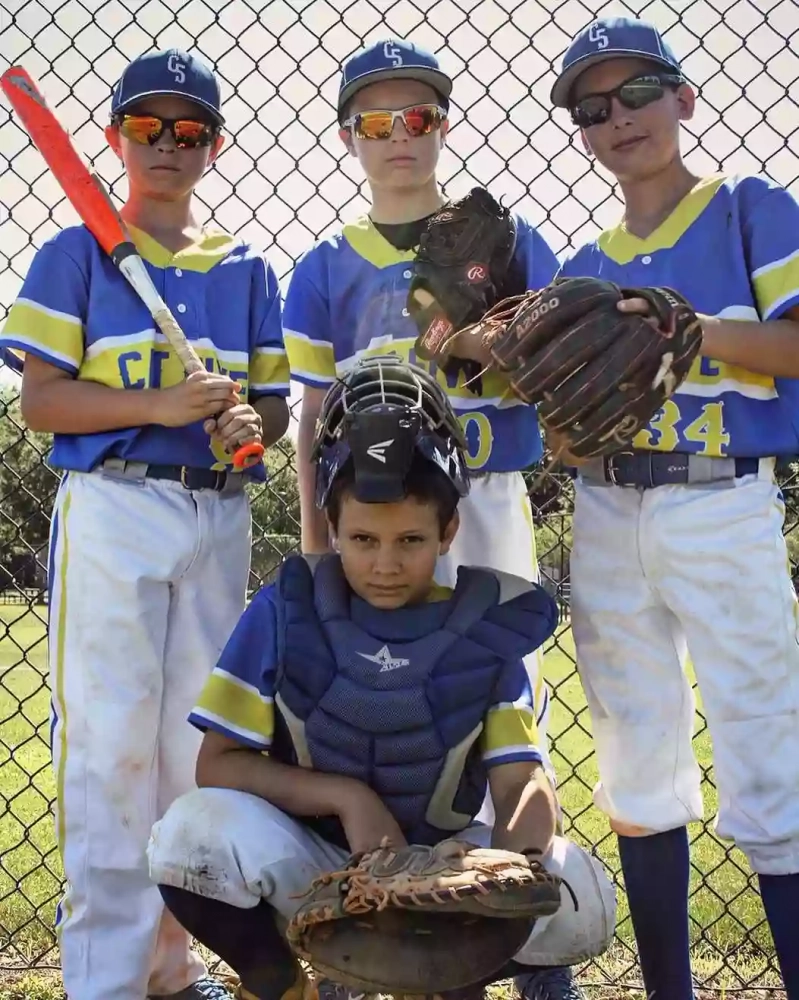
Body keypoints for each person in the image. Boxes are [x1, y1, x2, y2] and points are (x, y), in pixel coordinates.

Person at [145, 355, 617, 1000]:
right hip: (320, 867)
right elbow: (218, 766)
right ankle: (283, 981)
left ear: (449, 531)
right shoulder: (288, 610)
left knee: (581, 894)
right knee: (189, 834)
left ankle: (454, 966)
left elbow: (521, 779)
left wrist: (500, 868)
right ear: (332, 526)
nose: (386, 565)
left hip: (444, 868)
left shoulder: (483, 624)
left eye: (410, 541)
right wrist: (348, 798)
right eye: (363, 539)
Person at [281, 51, 577, 997]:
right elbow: (313, 419)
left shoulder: (508, 239)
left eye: (416, 119)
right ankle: (387, 931)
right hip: (372, 530)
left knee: (501, 710)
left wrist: (488, 347)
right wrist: (317, 549)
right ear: (346, 140)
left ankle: (522, 939)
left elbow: (561, 374)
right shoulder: (324, 268)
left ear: (444, 124)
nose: (397, 139)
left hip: (482, 498)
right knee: (381, 714)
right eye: (375, 124)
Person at [0, 48, 290, 1000]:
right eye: (146, 128)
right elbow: (43, 403)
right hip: (118, 507)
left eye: (189, 130)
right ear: (116, 139)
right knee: (113, 752)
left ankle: (171, 968)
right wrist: (161, 406)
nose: (167, 145)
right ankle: (105, 982)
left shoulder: (242, 268)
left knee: (193, 758)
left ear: (213, 145)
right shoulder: (75, 252)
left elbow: (274, 410)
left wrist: (253, 420)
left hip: (218, 514)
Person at [545, 16, 799, 1000]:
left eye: (638, 93)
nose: (618, 119)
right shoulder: (583, 261)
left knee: (768, 759)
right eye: (592, 108)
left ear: (684, 97)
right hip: (609, 510)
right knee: (636, 767)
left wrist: (690, 335)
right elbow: (572, 432)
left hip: (720, 503)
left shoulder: (746, 209)